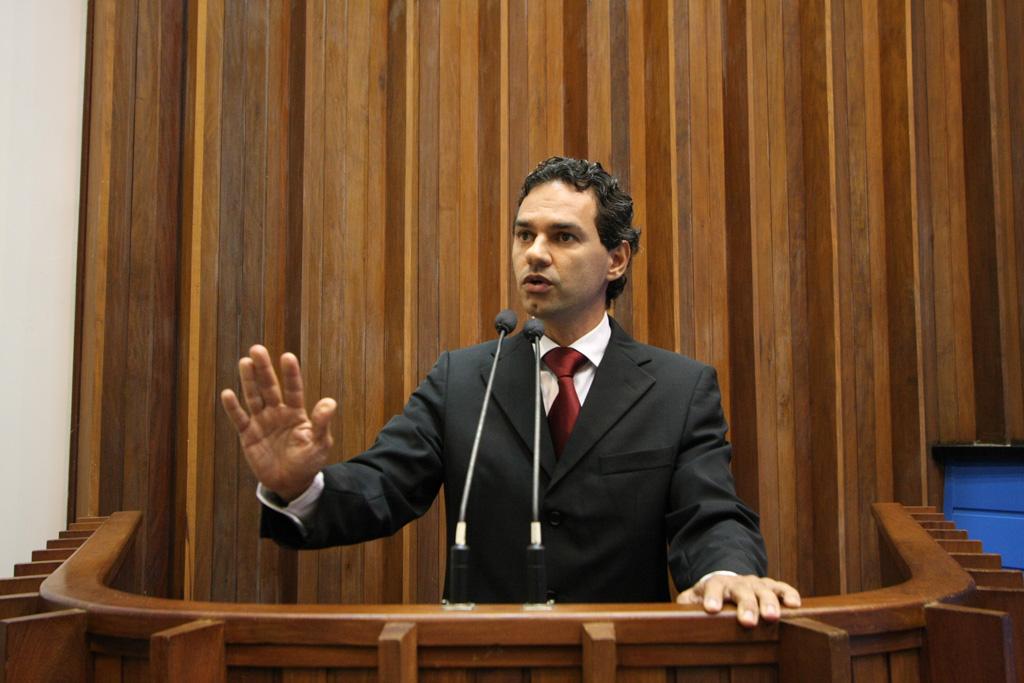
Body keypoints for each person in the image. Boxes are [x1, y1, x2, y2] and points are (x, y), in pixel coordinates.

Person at [221, 156, 801, 626]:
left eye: (563, 236)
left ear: (616, 259)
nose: (535, 253)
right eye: (525, 234)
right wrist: (300, 486)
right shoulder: (462, 379)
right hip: (484, 663)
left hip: (621, 663)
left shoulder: (678, 389)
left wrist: (726, 574)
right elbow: (382, 488)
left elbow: (709, 512)